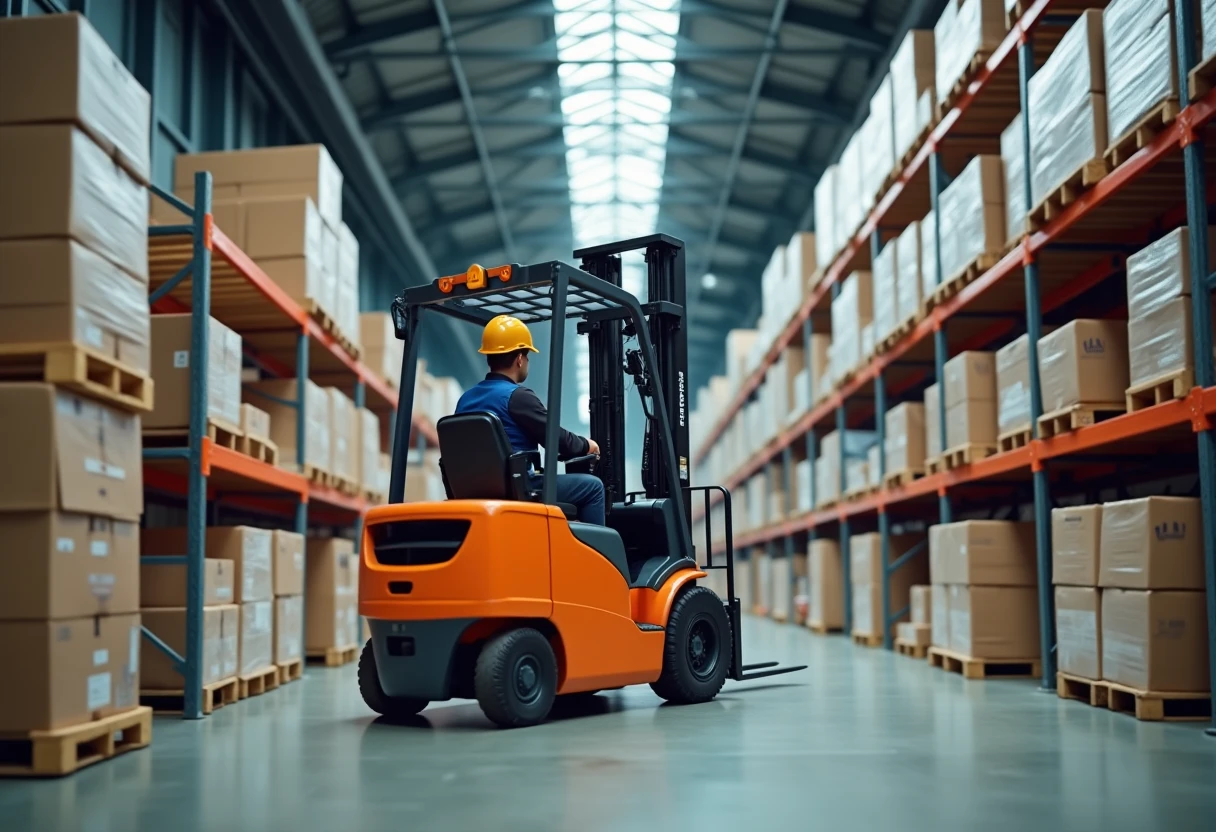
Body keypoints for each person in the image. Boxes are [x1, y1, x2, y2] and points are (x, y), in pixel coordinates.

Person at [454, 314, 606, 526]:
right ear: (519, 358)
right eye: (527, 356)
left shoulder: (465, 400)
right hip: (517, 486)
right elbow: (557, 439)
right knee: (593, 488)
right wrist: (587, 445)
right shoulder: (518, 397)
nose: (527, 362)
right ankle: (596, 557)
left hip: (473, 491)